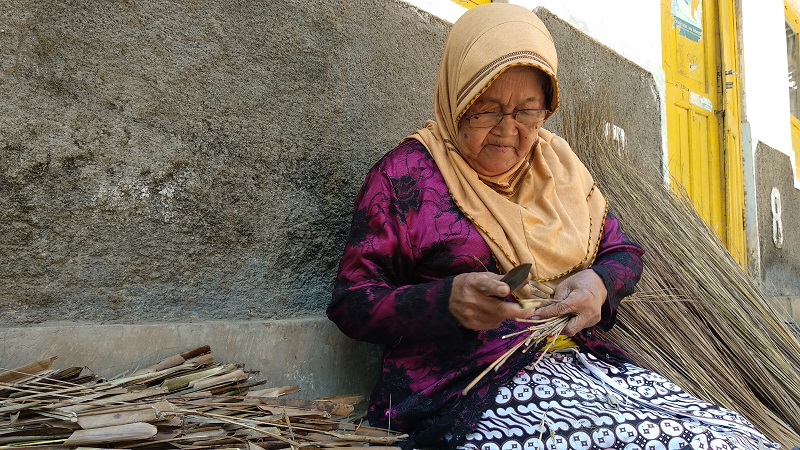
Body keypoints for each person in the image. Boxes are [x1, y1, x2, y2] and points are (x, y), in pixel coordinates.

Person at [327, 4, 777, 450]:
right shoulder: (406, 176)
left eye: (527, 111)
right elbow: (351, 302)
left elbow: (623, 252)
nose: (508, 130)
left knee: (730, 437)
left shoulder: (557, 165)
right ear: (455, 99)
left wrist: (599, 284)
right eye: (486, 110)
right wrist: (445, 302)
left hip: (577, 363)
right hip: (461, 389)